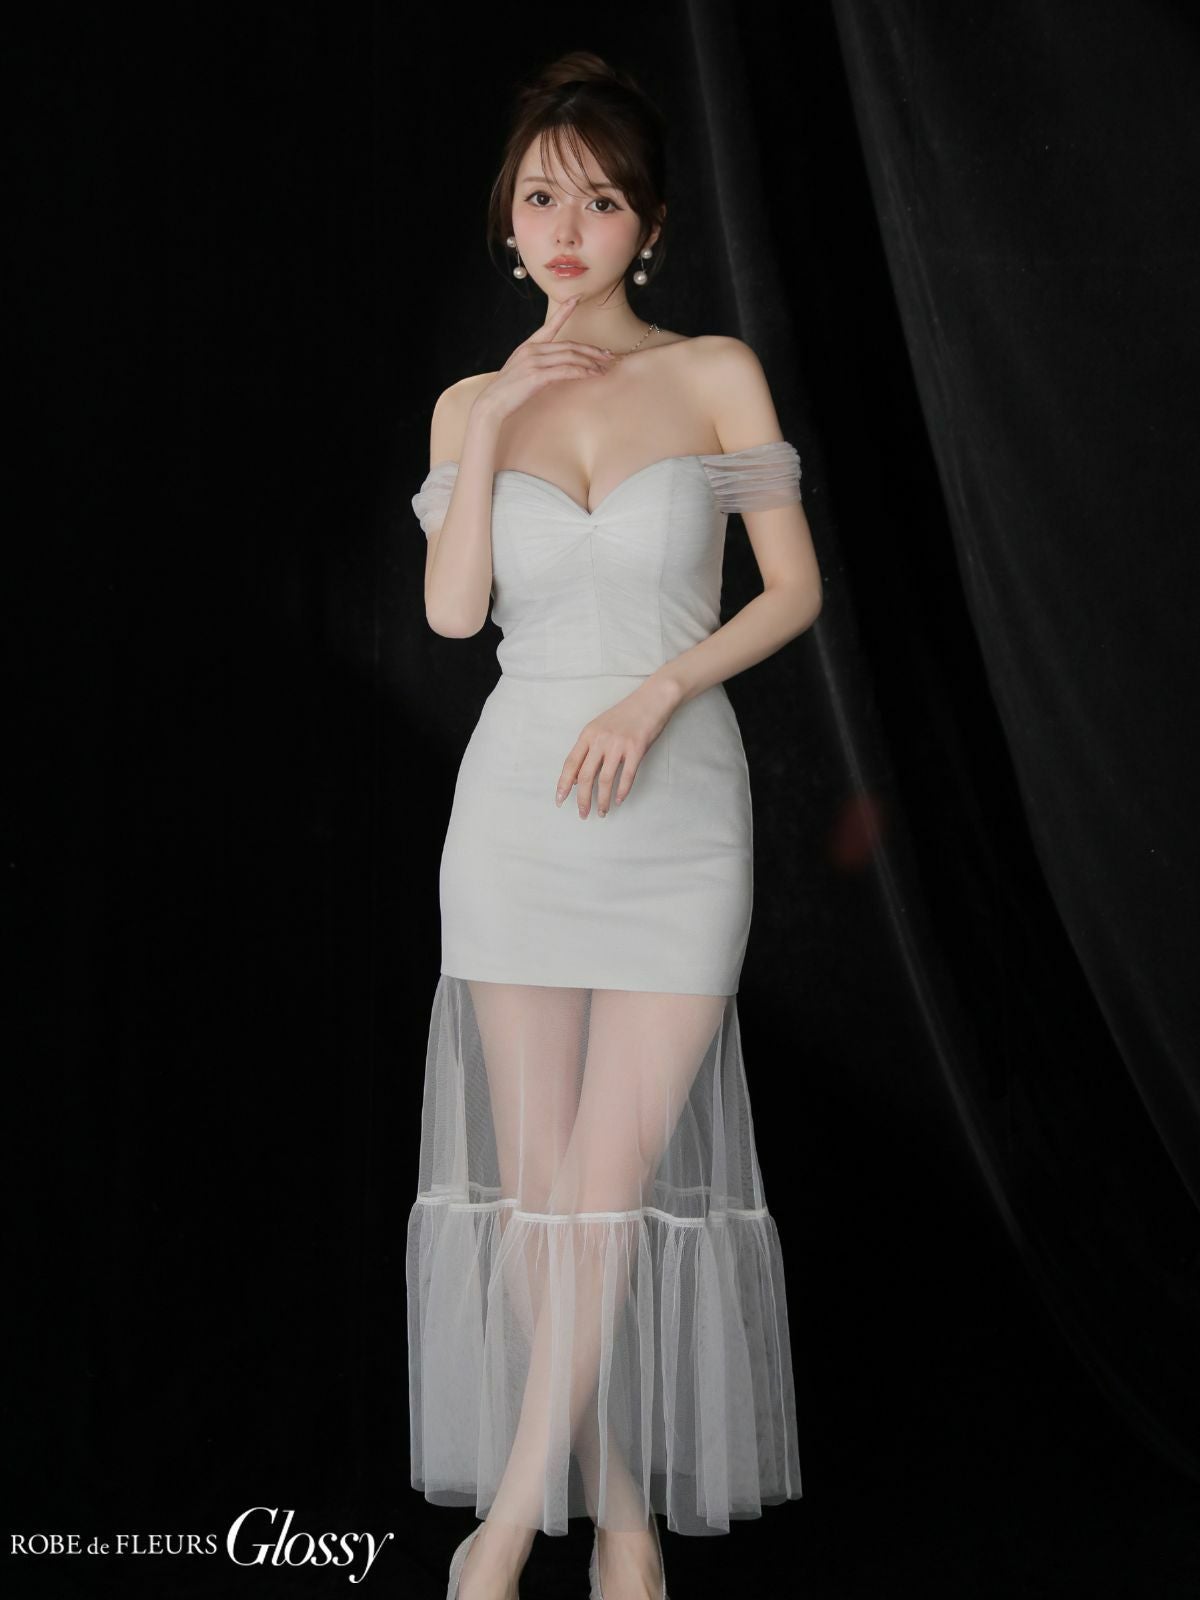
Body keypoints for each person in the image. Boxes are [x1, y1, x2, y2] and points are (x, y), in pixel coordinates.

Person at [407, 50, 822, 1600]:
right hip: (515, 817)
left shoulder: (714, 374)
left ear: (649, 225)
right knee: (541, 1193)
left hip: (677, 812)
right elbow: (455, 618)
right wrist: (498, 426)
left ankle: (507, 1528)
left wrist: (658, 694)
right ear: (506, 223)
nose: (564, 229)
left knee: (604, 1182)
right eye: (539, 198)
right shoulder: (469, 404)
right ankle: (625, 1513)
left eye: (596, 201)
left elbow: (793, 589)